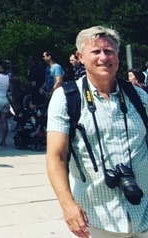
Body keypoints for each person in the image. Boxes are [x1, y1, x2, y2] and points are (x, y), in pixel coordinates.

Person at [47, 26, 148, 238]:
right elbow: (57, 156)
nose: (104, 57)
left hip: (144, 212)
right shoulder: (66, 98)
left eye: (109, 51)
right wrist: (67, 205)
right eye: (96, 52)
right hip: (97, 217)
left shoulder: (139, 96)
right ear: (81, 57)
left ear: (118, 57)